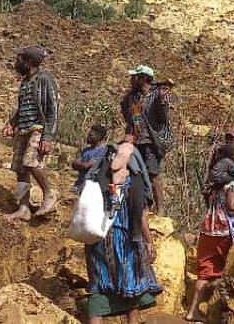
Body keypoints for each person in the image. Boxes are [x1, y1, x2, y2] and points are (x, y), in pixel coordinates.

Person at [84, 136, 162, 324]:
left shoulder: (98, 180)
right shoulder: (132, 183)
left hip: (97, 241)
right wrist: (149, 242)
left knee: (99, 286)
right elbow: (139, 214)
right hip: (125, 242)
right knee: (131, 288)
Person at [185, 155, 234, 322]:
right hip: (223, 233)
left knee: (205, 272)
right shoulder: (232, 185)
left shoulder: (217, 184)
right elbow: (232, 208)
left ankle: (192, 311)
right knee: (229, 269)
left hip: (207, 231)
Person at [3, 46, 59, 221]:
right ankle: (24, 208)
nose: (16, 63)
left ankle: (49, 193)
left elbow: (53, 110)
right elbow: (22, 108)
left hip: (38, 129)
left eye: (19, 60)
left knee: (30, 162)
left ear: (28, 62)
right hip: (23, 129)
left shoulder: (44, 79)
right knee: (20, 168)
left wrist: (48, 137)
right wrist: (11, 123)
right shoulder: (25, 81)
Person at [120, 64, 173, 212]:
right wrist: (130, 132)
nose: (132, 80)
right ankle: (143, 207)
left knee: (152, 174)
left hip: (151, 141)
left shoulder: (157, 95)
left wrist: (162, 101)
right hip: (136, 141)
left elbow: (163, 119)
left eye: (135, 77)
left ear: (143, 78)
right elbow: (129, 116)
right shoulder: (133, 97)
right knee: (136, 173)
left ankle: (160, 210)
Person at [72, 125, 109, 194]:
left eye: (90, 135)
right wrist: (80, 164)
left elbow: (87, 165)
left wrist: (79, 164)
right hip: (79, 184)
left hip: (89, 186)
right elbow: (74, 164)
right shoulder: (85, 150)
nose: (88, 137)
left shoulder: (102, 151)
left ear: (98, 137)